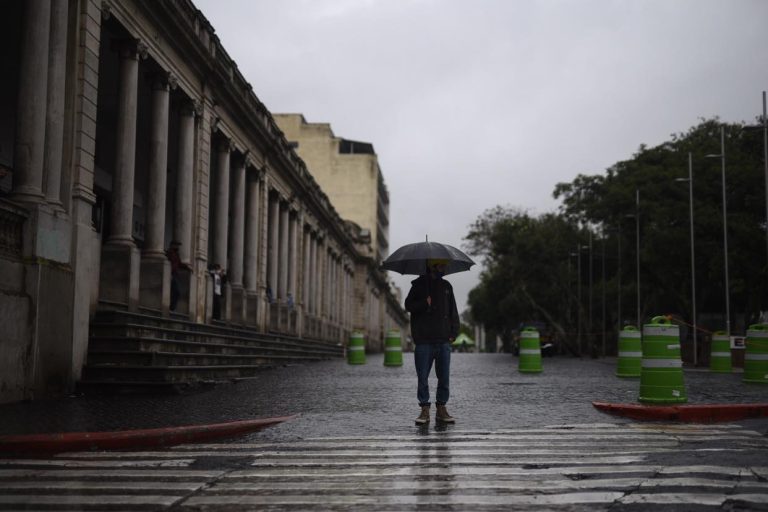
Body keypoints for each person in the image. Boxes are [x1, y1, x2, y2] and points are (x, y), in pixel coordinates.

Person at [404, 258, 459, 425]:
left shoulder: (447, 286)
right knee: (423, 378)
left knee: (444, 377)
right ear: (432, 266)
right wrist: (423, 303)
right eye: (441, 265)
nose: (444, 268)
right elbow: (408, 306)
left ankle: (441, 409)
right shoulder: (418, 285)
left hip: (443, 340)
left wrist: (453, 332)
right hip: (424, 340)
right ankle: (424, 410)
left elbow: (453, 311)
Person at [166, 241, 190, 311]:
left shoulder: (176, 254)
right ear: (172, 245)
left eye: (178, 246)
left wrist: (187, 267)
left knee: (176, 292)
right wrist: (169, 273)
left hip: (175, 274)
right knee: (176, 291)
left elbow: (179, 264)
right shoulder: (169, 253)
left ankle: (172, 308)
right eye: (177, 245)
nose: (178, 247)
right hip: (171, 273)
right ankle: (171, 308)